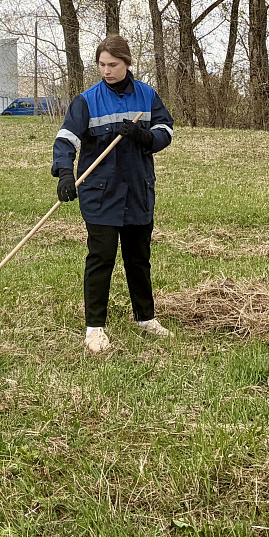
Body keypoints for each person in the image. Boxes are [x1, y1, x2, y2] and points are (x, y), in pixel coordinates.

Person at [52, 35, 175, 354]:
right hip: (100, 194)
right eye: (102, 65)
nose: (106, 71)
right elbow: (66, 139)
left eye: (113, 65)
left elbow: (167, 130)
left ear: (127, 63)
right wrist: (65, 171)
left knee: (139, 259)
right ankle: (95, 329)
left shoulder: (147, 95)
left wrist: (144, 137)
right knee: (101, 258)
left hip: (138, 192)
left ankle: (146, 319)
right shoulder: (87, 100)